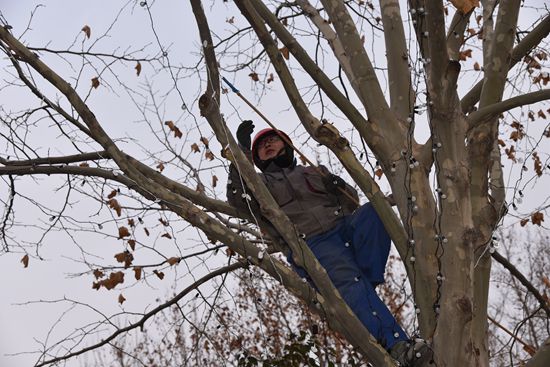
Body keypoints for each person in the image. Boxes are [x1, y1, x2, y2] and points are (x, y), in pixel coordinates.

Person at [227, 120, 433, 367]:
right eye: (260, 145)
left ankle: (363, 283)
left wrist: (338, 185)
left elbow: (350, 202)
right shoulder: (260, 185)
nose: (267, 144)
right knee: (351, 282)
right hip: (314, 243)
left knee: (374, 211)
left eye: (272, 139)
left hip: (344, 229)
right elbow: (239, 199)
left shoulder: (313, 171)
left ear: (287, 145)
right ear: (256, 157)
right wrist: (239, 150)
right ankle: (398, 347)